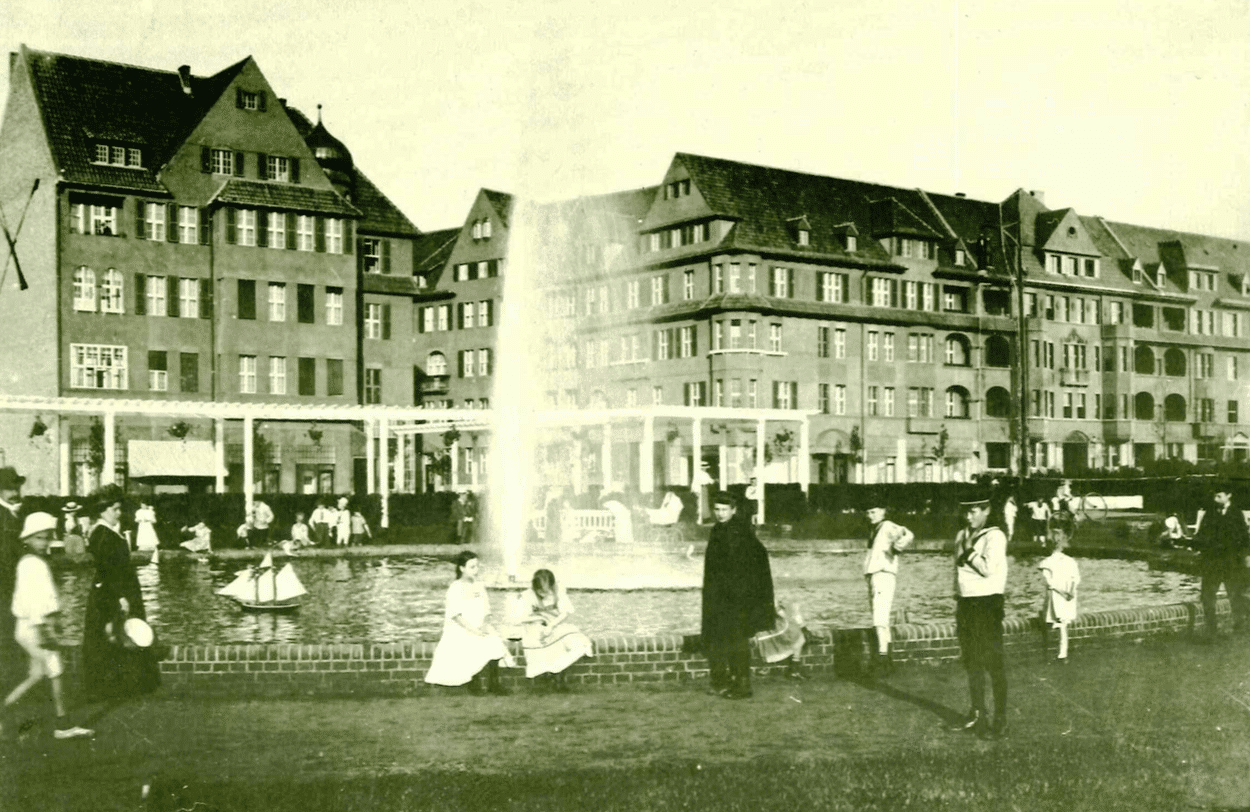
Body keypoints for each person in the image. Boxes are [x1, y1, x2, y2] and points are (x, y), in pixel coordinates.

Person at [3, 512, 93, 739]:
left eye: (47, 537)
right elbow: (34, 601)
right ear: (28, 539)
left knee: (37, 675)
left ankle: (4, 715)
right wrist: (44, 630)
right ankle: (63, 726)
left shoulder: (33, 562)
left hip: (31, 627)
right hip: (34, 627)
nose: (44, 543)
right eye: (39, 538)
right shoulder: (31, 564)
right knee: (56, 670)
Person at [81, 485, 161, 705]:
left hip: (120, 589)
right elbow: (107, 569)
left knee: (121, 635)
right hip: (111, 593)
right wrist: (120, 597)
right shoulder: (101, 533)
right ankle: (105, 688)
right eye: (115, 509)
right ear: (103, 510)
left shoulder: (108, 532)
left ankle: (123, 684)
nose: (119, 513)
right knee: (113, 635)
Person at [701, 491, 775, 699]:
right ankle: (726, 681)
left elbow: (757, 557)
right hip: (721, 596)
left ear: (734, 510)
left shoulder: (739, 531)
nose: (720, 513)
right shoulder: (719, 529)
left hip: (737, 599)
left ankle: (743, 685)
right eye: (717, 509)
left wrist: (744, 589)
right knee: (724, 639)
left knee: (737, 640)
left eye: (725, 510)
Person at [949, 492, 1009, 740]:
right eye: (966, 511)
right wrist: (957, 594)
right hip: (967, 603)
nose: (968, 516)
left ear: (987, 510)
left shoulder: (995, 536)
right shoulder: (962, 534)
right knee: (971, 659)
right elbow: (957, 569)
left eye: (974, 511)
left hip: (987, 603)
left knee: (993, 661)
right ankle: (978, 714)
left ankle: (1001, 719)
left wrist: (968, 551)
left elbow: (987, 569)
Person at [424, 551, 514, 694]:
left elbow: (486, 610)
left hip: (480, 626)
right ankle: (474, 683)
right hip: (461, 628)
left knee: (494, 642)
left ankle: (494, 684)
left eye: (477, 566)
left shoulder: (479, 586)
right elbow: (456, 616)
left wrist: (484, 625)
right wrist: (474, 630)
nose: (476, 570)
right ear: (462, 568)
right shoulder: (455, 588)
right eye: (472, 567)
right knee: (472, 643)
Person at [1189, 486, 1250, 641]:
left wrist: (1245, 557)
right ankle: (1211, 629)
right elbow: (1201, 535)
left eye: (1219, 496)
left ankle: (1240, 629)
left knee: (1235, 596)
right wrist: (1197, 547)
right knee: (1207, 596)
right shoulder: (1210, 513)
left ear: (1228, 495)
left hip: (1231, 563)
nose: (1215, 500)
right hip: (1212, 563)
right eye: (1214, 497)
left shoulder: (1236, 514)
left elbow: (1243, 538)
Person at [517, 569, 593, 692]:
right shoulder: (527, 595)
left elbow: (565, 612)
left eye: (545, 591)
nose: (542, 594)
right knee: (540, 645)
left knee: (576, 643)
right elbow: (520, 617)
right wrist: (539, 618)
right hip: (535, 628)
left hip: (554, 625)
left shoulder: (558, 591)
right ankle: (550, 678)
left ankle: (557, 674)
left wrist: (551, 625)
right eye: (539, 591)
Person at [863, 496, 915, 675]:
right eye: (868, 512)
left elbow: (908, 534)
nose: (870, 515)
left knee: (879, 618)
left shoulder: (886, 526)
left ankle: (882, 660)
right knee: (881, 619)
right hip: (875, 574)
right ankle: (887, 660)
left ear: (883, 511)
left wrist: (897, 548)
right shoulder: (876, 529)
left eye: (874, 512)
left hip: (883, 574)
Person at [1038, 511, 1080, 664]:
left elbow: (1051, 583)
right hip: (1064, 596)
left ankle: (1055, 653)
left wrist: (1066, 592)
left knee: (1054, 624)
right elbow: (1075, 579)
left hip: (1058, 596)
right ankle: (1062, 653)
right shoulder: (1066, 561)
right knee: (1061, 625)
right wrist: (1069, 591)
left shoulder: (1049, 562)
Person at [0, 466, 26, 691]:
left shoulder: (15, 514)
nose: (15, 491)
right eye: (9, 488)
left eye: (16, 486)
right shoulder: (4, 516)